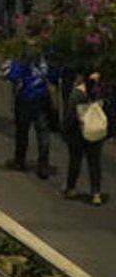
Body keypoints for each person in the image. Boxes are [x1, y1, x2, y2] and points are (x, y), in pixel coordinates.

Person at [60, 70, 107, 206]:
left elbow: (69, 116)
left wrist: (64, 130)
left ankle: (70, 187)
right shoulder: (100, 93)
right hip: (96, 132)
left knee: (75, 161)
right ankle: (96, 193)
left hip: (77, 133)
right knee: (95, 163)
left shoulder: (76, 95)